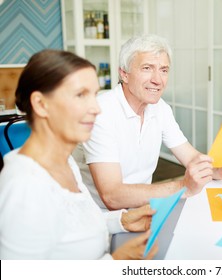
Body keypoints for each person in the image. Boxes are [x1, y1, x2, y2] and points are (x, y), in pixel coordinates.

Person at [0, 49, 157, 260]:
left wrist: (121, 220)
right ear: (40, 104)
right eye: (80, 95)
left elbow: (73, 224)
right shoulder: (23, 185)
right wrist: (114, 263)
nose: (96, 108)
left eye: (94, 95)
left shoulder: (66, 162)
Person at [73, 34, 222, 210]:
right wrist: (183, 187)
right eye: (147, 68)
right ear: (124, 74)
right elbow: (112, 196)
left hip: (143, 208)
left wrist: (219, 170)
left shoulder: (161, 108)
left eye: (163, 70)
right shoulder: (100, 113)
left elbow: (191, 157)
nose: (158, 80)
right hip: (100, 218)